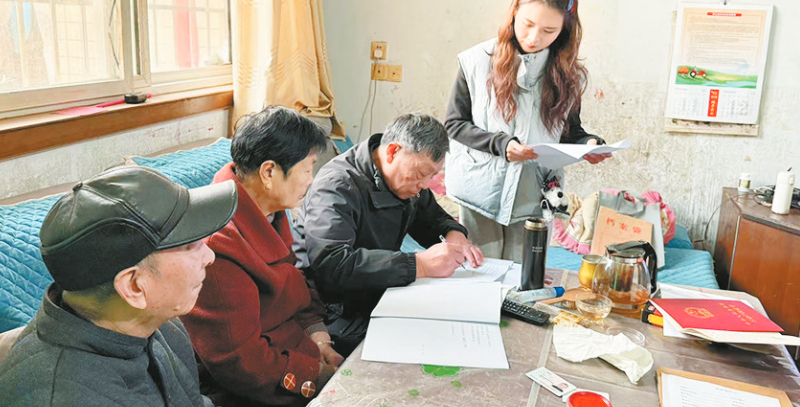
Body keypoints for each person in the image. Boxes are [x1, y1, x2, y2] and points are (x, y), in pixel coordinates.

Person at [0, 166, 238, 407]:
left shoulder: (159, 325)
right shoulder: (65, 397)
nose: (209, 257)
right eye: (189, 245)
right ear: (134, 286)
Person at [181, 106, 344, 407]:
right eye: (307, 169)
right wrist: (322, 378)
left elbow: (295, 291)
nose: (311, 180)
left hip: (298, 353)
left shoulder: (269, 209)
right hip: (258, 389)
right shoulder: (217, 248)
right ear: (269, 172)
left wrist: (320, 339)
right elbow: (243, 364)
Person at [444, 0, 610, 262]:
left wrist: (589, 144)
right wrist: (502, 145)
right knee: (479, 274)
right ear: (514, 12)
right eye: (528, 24)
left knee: (525, 279)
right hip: (480, 191)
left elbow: (570, 131)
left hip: (536, 194)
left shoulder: (567, 74)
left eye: (549, 30)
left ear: (565, 29)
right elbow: (454, 124)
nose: (534, 38)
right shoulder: (475, 61)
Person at [293, 113, 484, 355]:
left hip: (377, 291)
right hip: (335, 310)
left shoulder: (407, 179)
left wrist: (453, 232)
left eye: (433, 176)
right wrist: (418, 265)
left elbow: (431, 218)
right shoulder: (337, 185)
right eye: (421, 173)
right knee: (431, 342)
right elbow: (332, 265)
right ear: (393, 151)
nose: (425, 185)